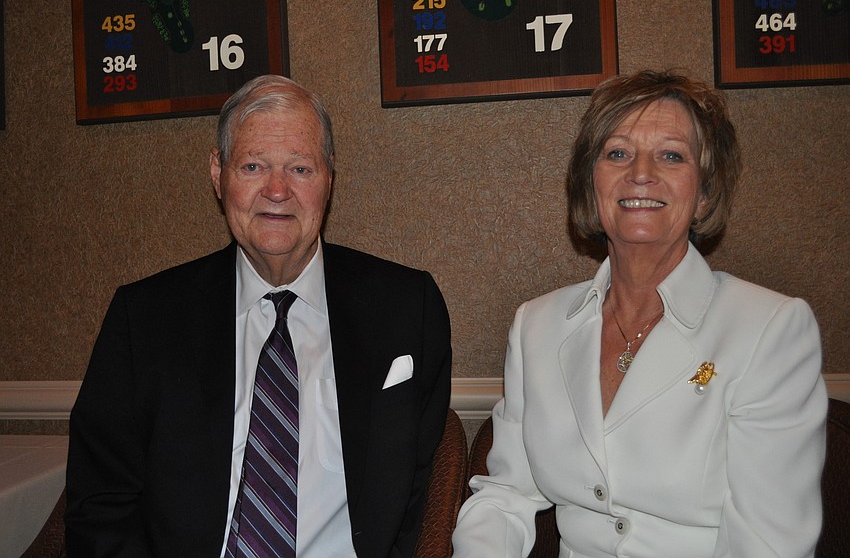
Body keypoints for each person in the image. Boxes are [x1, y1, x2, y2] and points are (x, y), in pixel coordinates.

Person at [65, 75, 452, 557]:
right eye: (253, 166)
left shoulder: (407, 309)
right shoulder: (142, 320)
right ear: (217, 172)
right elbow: (101, 507)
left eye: (300, 169)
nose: (277, 190)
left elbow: (419, 498)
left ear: (330, 177)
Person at [452, 70, 827, 557]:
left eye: (671, 155)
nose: (641, 172)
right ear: (592, 182)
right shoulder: (536, 326)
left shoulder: (773, 329)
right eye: (617, 153)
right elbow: (505, 497)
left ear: (705, 192)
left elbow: (769, 545)